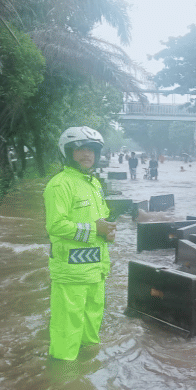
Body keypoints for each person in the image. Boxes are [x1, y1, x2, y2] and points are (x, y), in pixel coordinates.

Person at [43, 126, 116, 361]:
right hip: (71, 272)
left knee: (91, 327)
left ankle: (87, 374)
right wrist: (96, 229)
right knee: (67, 330)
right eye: (80, 150)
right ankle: (62, 381)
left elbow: (101, 217)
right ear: (68, 152)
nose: (87, 155)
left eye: (91, 150)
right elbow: (56, 225)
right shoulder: (60, 184)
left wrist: (108, 232)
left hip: (96, 270)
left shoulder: (93, 183)